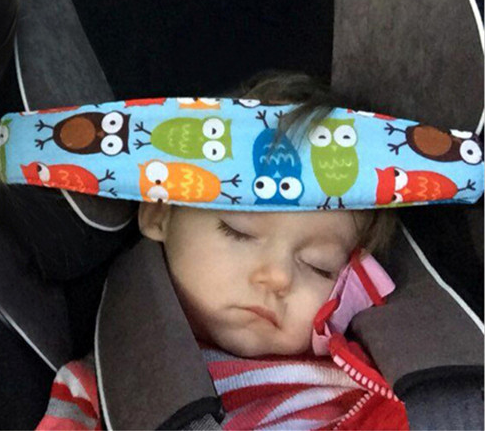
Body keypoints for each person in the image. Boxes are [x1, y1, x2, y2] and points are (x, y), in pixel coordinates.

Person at [36, 71, 409, 430]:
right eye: (239, 231)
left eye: (319, 266)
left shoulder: (363, 382)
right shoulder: (105, 388)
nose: (278, 277)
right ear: (160, 213)